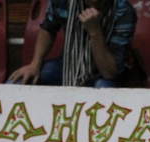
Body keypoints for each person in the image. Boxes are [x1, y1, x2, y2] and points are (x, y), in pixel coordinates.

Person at [7, 0, 136, 88]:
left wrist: (95, 32)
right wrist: (35, 64)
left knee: (103, 89)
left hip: (104, 72)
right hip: (69, 65)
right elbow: (48, 27)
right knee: (19, 82)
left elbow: (109, 72)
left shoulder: (124, 11)